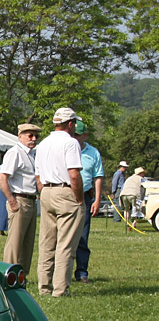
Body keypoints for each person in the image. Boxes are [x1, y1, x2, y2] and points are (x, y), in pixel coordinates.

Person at [34, 107, 83, 297]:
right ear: (70, 124)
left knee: (46, 242)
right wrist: (78, 197)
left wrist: (43, 192)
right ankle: (60, 289)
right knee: (66, 243)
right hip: (65, 191)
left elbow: (38, 175)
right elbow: (74, 173)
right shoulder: (70, 143)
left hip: (46, 190)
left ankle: (44, 287)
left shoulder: (43, 144)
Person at [0, 123, 40, 272]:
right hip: (20, 199)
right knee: (15, 243)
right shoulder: (15, 153)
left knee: (27, 243)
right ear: (20, 136)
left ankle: (22, 275)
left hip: (31, 200)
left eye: (36, 136)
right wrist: (12, 201)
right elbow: (2, 178)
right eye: (30, 135)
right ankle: (8, 273)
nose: (33, 139)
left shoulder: (32, 155)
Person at [73, 120, 104, 283]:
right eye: (73, 134)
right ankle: (60, 273)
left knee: (83, 236)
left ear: (85, 135)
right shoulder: (66, 149)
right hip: (67, 194)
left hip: (85, 196)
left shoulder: (93, 153)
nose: (75, 138)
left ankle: (82, 272)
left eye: (78, 135)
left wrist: (97, 200)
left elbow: (98, 177)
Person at [120, 166, 146, 231]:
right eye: (143, 173)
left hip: (124, 194)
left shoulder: (129, 178)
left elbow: (122, 187)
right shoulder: (141, 179)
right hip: (133, 194)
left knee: (126, 209)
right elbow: (145, 186)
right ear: (140, 173)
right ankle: (133, 224)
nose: (144, 174)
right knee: (136, 209)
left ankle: (127, 223)